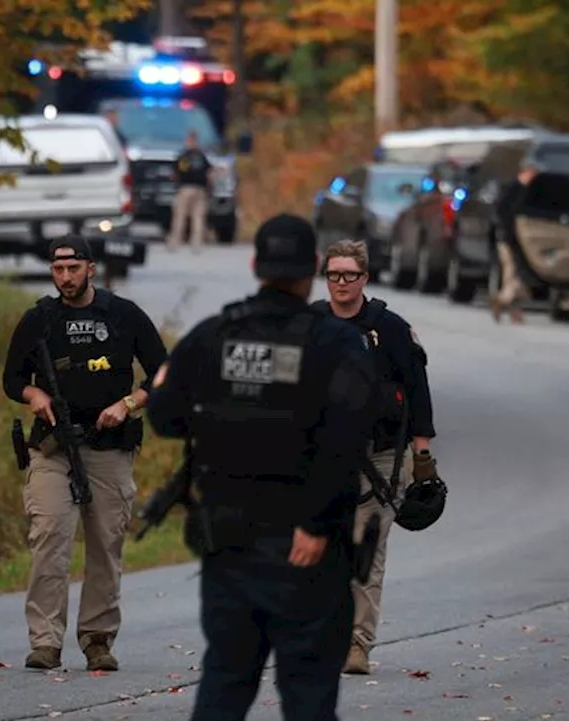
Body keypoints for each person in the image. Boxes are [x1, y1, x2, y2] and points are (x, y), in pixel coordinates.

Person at [145, 213, 377, 720]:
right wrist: (316, 525)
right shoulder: (335, 343)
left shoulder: (213, 337)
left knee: (225, 683)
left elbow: (163, 417)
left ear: (255, 265)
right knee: (309, 694)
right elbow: (347, 440)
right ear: (313, 269)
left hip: (229, 543)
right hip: (306, 552)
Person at [2, 235, 168, 672]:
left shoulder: (123, 315)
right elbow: (11, 377)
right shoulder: (39, 318)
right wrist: (34, 394)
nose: (65, 277)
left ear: (91, 268)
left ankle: (97, 638)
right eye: (58, 269)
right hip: (54, 446)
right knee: (51, 538)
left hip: (109, 447)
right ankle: (45, 641)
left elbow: (165, 371)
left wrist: (128, 404)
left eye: (73, 269)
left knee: (106, 544)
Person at [309, 240, 439, 674]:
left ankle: (357, 643)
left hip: (380, 458)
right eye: (333, 275)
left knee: (367, 551)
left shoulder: (392, 329)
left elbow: (418, 393)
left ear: (364, 278)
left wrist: (422, 456)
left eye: (349, 275)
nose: (341, 283)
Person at [490, 160, 538, 323]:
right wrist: (508, 235)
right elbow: (504, 214)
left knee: (511, 276)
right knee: (514, 274)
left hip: (512, 239)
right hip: (508, 239)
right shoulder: (515, 190)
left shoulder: (520, 190)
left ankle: (514, 312)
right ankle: (502, 300)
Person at [166, 130, 212, 252]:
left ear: (189, 140)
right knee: (197, 218)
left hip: (185, 189)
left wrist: (176, 179)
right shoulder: (202, 156)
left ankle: (174, 243)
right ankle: (196, 245)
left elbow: (178, 172)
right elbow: (209, 172)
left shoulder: (184, 156)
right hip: (200, 189)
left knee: (179, 217)